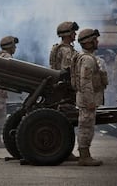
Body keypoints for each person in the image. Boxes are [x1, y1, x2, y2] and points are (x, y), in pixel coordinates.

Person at [72, 28, 107, 166]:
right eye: (94, 40)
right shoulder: (87, 59)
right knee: (86, 126)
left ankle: (85, 155)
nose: (97, 42)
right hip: (88, 100)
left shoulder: (86, 57)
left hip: (87, 99)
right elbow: (85, 82)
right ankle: (84, 157)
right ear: (88, 43)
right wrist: (90, 101)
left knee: (87, 125)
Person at [49, 21, 79, 161]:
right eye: (73, 32)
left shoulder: (57, 48)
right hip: (66, 90)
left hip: (59, 89)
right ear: (67, 34)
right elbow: (67, 71)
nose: (75, 34)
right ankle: (66, 151)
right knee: (68, 120)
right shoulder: (67, 50)